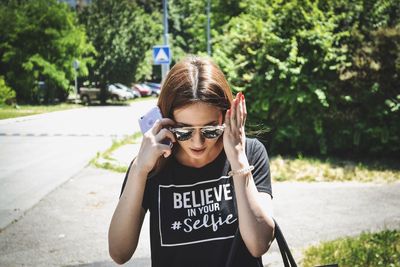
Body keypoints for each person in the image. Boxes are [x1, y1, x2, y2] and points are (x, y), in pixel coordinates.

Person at [108, 56, 275, 267]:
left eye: (210, 129)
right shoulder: (153, 164)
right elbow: (119, 252)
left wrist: (239, 162)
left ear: (225, 116)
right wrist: (140, 169)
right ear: (166, 120)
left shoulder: (249, 153)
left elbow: (259, 244)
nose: (198, 142)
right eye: (184, 131)